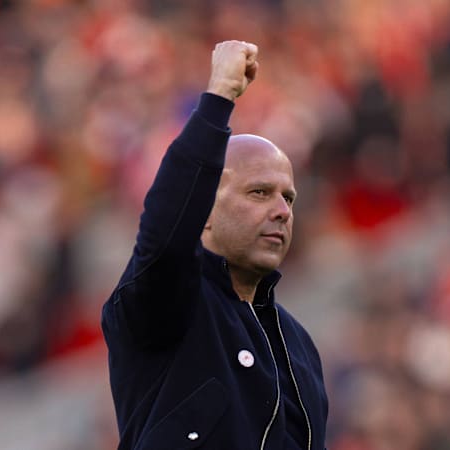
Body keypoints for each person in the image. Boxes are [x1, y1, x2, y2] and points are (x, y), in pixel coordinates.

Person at [101, 40, 328, 450]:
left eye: (288, 198)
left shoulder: (299, 344)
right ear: (202, 209)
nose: (281, 211)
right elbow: (164, 232)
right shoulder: (167, 301)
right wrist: (219, 95)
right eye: (259, 193)